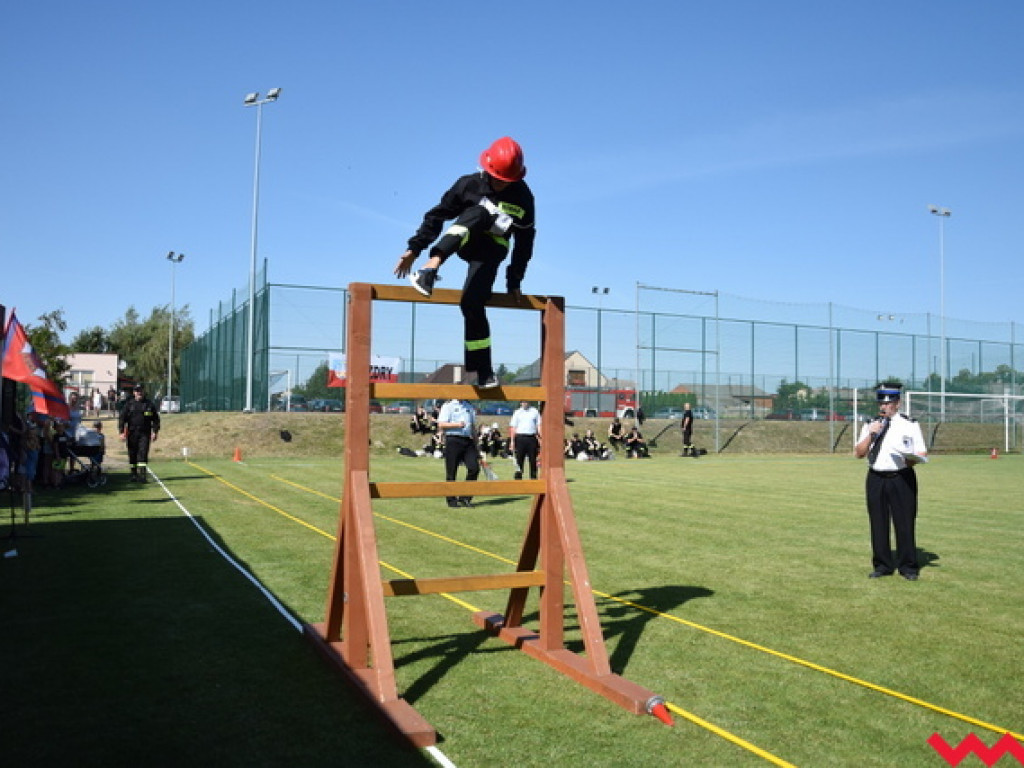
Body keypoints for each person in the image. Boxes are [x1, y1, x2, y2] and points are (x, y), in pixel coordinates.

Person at [393, 137, 536, 389]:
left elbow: (524, 244)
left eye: (507, 182)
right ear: (488, 170)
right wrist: (415, 248)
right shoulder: (468, 184)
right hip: (465, 239)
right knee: (480, 212)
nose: (502, 185)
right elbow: (437, 215)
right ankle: (430, 268)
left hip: (492, 251)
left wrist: (514, 280)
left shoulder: (523, 197)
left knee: (472, 303)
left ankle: (483, 373)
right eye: (497, 180)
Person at [854, 382, 927, 581]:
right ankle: (882, 565)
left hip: (901, 477)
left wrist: (911, 459)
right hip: (876, 477)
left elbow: (921, 452)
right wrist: (871, 434)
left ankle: (908, 567)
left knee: (904, 523)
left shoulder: (910, 424)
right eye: (881, 403)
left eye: (888, 403)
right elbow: (859, 453)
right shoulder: (870, 423)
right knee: (878, 523)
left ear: (898, 403)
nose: (883, 407)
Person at [436, 397, 480, 508]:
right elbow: (441, 424)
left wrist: (477, 445)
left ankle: (465, 497)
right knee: (451, 472)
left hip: (467, 440)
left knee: (474, 468)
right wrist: (457, 425)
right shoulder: (448, 406)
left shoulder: (469, 406)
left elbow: (473, 427)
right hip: (453, 439)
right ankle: (451, 500)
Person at [119, 383, 160, 482]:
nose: (139, 393)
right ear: (134, 393)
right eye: (137, 391)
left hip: (145, 433)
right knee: (132, 454)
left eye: (140, 390)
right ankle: (133, 474)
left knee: (143, 453)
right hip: (132, 433)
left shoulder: (149, 404)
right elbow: (122, 419)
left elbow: (155, 420)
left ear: (143, 391)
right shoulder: (129, 404)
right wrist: (121, 432)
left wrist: (155, 431)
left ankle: (142, 475)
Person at [508, 399, 541, 480]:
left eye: (526, 401)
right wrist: (512, 441)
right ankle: (518, 477)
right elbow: (513, 427)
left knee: (533, 459)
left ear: (529, 402)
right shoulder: (517, 412)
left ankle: (533, 478)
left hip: (531, 438)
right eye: (523, 402)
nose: (524, 403)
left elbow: (539, 425)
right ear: (520, 402)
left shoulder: (535, 411)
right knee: (519, 459)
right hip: (520, 438)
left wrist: (541, 438)